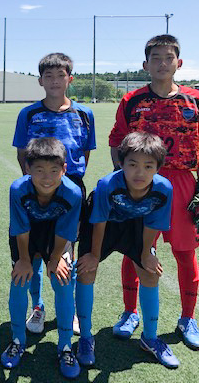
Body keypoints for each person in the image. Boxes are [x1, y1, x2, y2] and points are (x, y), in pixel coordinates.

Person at [109, 35, 199, 350]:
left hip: (182, 183)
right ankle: (130, 312)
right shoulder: (132, 100)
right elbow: (117, 140)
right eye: (156, 58)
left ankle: (187, 318)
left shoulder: (196, 99)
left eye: (168, 58)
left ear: (179, 63)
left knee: (185, 253)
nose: (162, 63)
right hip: (142, 183)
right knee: (136, 250)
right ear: (146, 64)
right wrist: (122, 179)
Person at [75, 132, 179, 369]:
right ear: (121, 163)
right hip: (105, 227)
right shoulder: (107, 185)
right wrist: (94, 255)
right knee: (85, 271)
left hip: (137, 225)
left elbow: (153, 224)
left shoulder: (163, 188)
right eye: (132, 164)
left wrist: (146, 254)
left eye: (148, 166)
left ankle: (150, 338)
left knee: (150, 273)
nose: (139, 172)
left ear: (158, 168)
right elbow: (99, 221)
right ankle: (86, 338)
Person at [12, 52, 95, 335]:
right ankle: (37, 306)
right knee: (35, 251)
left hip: (70, 189)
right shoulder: (29, 114)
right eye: (49, 76)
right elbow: (22, 153)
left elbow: (84, 152)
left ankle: (68, 309)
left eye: (61, 75)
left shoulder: (84, 114)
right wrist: (34, 183)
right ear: (40, 81)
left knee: (66, 250)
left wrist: (69, 180)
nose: (55, 81)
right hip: (36, 188)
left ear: (70, 79)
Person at [1, 137, 81, 379]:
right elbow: (20, 227)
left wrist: (55, 258)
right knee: (19, 280)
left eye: (54, 171)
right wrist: (24, 259)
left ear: (64, 169)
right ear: (27, 168)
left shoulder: (73, 192)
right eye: (39, 170)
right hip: (26, 236)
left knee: (63, 281)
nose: (47, 178)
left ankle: (65, 346)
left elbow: (66, 230)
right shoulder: (18, 189)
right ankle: (17, 339)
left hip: (56, 237)